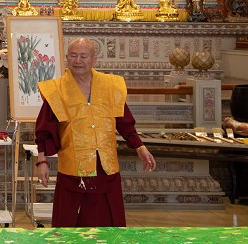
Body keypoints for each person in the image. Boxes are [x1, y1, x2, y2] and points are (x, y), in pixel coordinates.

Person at [34, 38, 156, 226]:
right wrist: (42, 162)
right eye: (73, 55)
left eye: (83, 56)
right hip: (73, 168)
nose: (78, 61)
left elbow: (124, 122)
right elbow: (44, 130)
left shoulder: (111, 85)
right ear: (66, 58)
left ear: (93, 59)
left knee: (108, 225)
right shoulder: (56, 90)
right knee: (69, 225)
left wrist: (140, 147)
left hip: (105, 168)